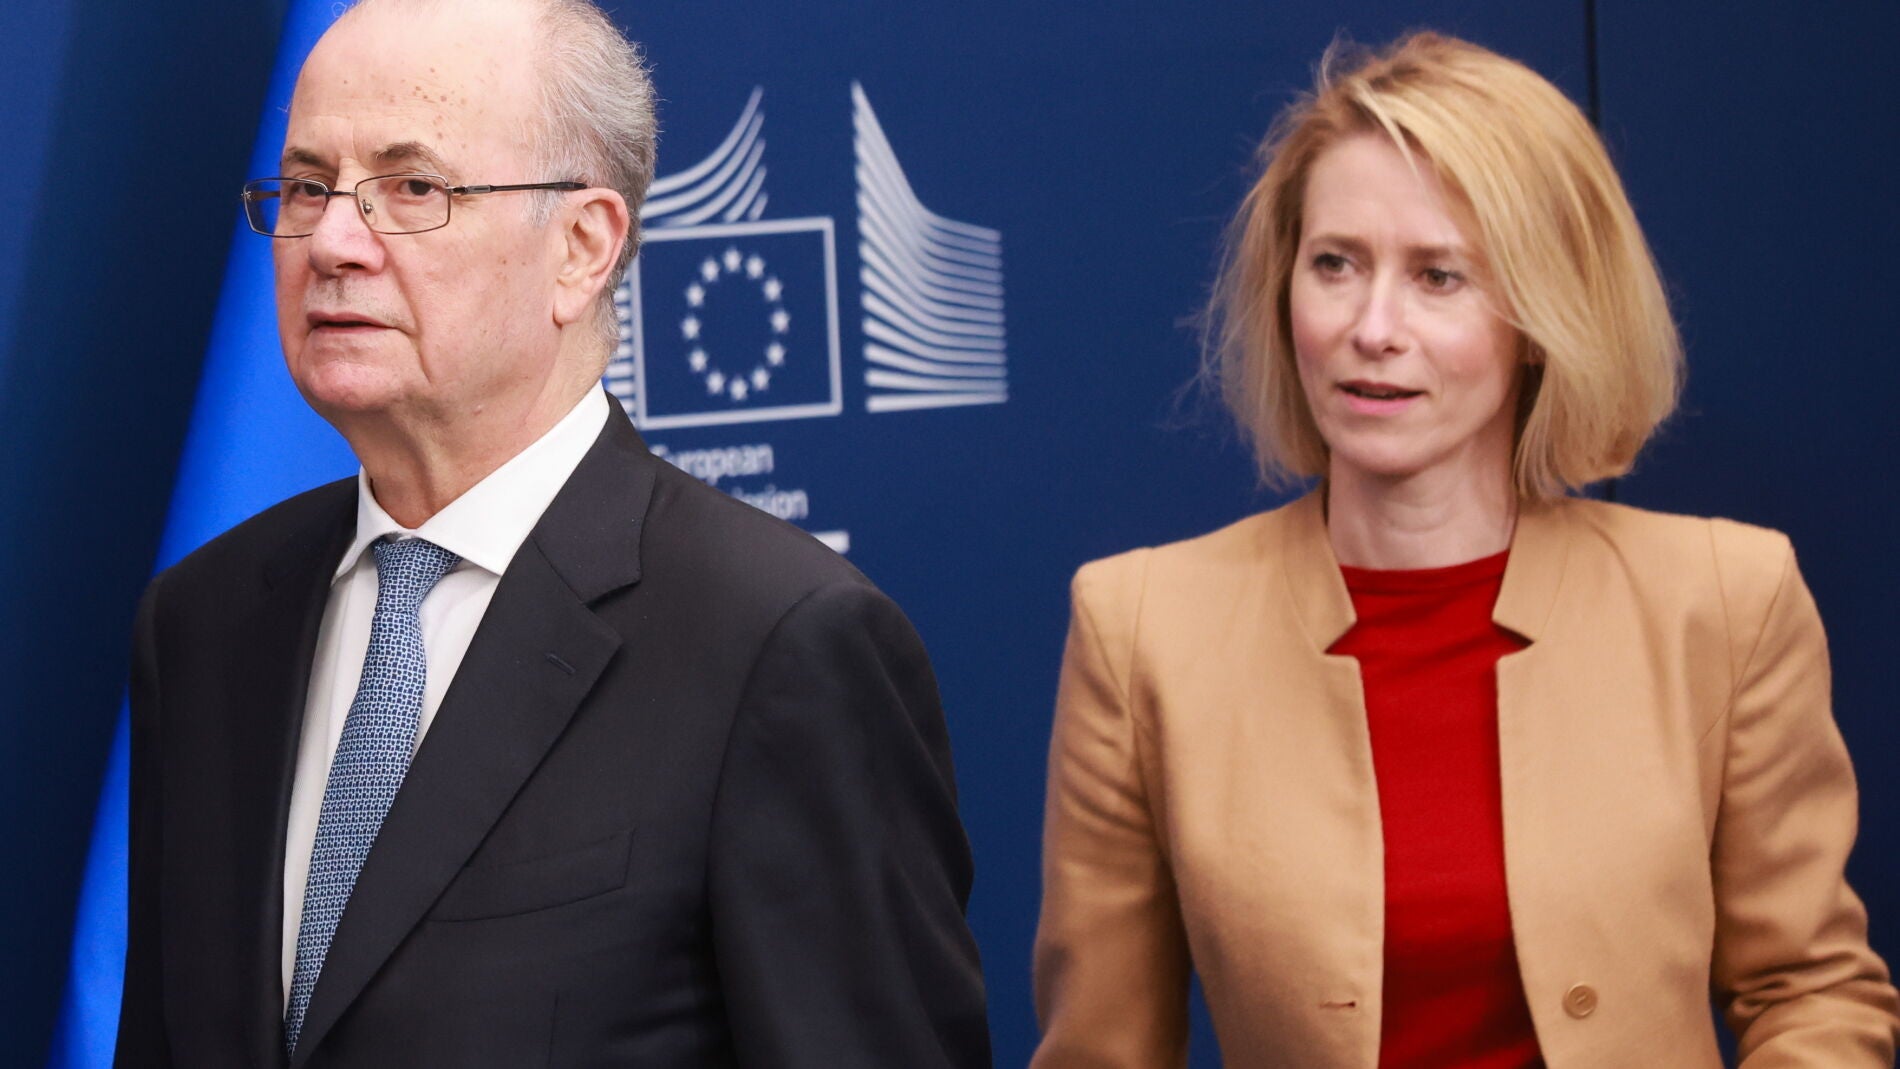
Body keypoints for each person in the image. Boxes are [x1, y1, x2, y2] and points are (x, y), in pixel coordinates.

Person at [113, 1, 991, 1065]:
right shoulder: (203, 622)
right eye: (306, 187)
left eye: (412, 188)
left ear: (582, 247)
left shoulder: (778, 642)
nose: (334, 242)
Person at [1031, 32, 1897, 1069]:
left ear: (1541, 314)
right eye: (1335, 264)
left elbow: (1811, 991)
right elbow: (1102, 1050)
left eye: (1438, 276)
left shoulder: (1723, 598)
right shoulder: (1142, 629)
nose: (1372, 326)